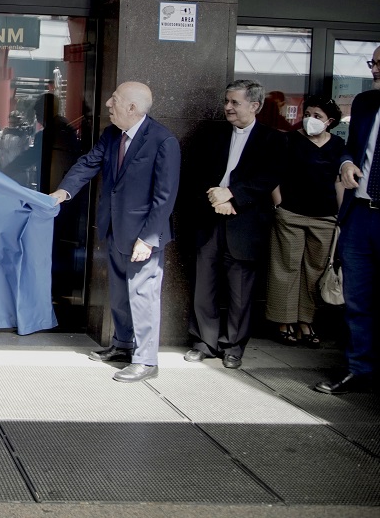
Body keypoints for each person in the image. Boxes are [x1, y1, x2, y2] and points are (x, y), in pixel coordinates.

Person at [50, 82, 180, 383]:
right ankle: (123, 346)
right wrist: (63, 192)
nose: (108, 103)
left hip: (143, 237)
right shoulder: (111, 135)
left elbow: (165, 197)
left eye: (115, 99)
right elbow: (88, 163)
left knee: (143, 296)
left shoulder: (163, 141)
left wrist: (147, 239)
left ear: (132, 108)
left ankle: (147, 361)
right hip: (114, 229)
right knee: (120, 294)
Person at [186, 80, 284, 369]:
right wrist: (216, 198)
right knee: (204, 285)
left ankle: (233, 347)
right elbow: (196, 171)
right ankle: (204, 341)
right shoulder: (212, 135)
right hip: (209, 219)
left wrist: (232, 196)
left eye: (235, 102)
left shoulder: (273, 140)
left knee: (241, 292)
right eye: (226, 101)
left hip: (245, 225)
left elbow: (268, 177)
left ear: (255, 106)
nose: (227, 107)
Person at [315, 45, 380, 395]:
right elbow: (350, 147)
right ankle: (360, 370)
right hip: (360, 216)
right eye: (373, 63)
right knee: (357, 300)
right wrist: (345, 163)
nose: (374, 70)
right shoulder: (365, 103)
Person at [266, 95, 344, 346]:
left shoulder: (338, 145)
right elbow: (273, 174)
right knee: (285, 269)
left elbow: (339, 182)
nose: (310, 119)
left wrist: (341, 216)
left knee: (315, 271)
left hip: (325, 217)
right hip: (291, 214)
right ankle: (283, 321)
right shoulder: (288, 140)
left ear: (330, 121)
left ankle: (305, 322)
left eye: (318, 116)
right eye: (308, 113)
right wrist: (279, 204)